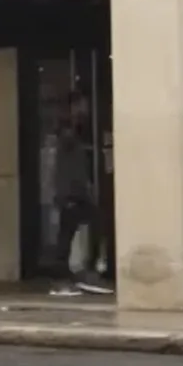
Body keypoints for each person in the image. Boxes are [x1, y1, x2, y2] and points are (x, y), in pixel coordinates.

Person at [50, 101, 111, 296]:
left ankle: (85, 271)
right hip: (71, 194)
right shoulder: (67, 136)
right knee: (67, 235)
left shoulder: (73, 136)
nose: (83, 110)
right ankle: (65, 278)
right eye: (79, 107)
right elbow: (66, 171)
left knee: (90, 226)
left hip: (76, 193)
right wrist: (68, 194)